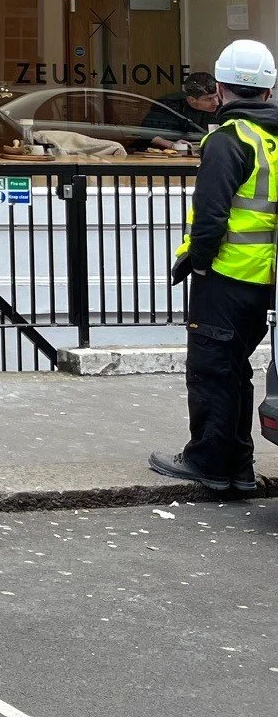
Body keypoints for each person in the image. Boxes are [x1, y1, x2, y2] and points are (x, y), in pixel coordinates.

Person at [148, 39, 278, 495]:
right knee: (237, 369)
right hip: (266, 282)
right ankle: (238, 467)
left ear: (220, 89)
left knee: (212, 368)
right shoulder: (272, 140)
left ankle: (209, 462)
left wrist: (197, 263)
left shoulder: (229, 140)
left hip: (226, 276)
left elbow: (210, 217)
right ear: (268, 90)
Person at [143, 71, 222, 152]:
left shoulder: (222, 106)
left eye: (216, 96)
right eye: (209, 99)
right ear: (191, 100)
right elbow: (149, 133)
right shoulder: (168, 105)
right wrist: (172, 145)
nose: (216, 102)